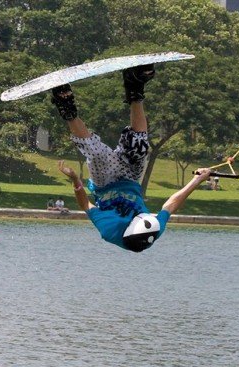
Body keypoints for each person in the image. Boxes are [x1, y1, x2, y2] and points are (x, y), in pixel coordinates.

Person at [52, 64, 211, 252]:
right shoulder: (154, 229)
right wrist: (197, 180)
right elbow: (171, 204)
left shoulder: (110, 230)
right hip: (130, 179)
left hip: (105, 183)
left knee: (96, 153)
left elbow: (85, 204)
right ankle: (134, 86)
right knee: (139, 146)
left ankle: (66, 106)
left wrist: (76, 180)